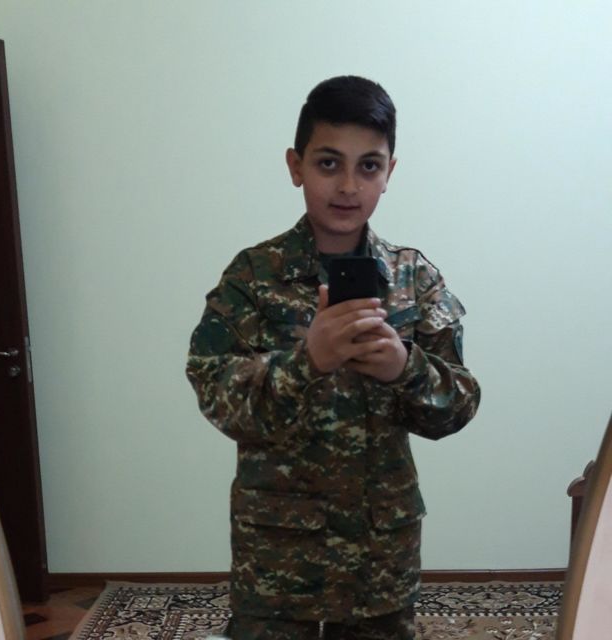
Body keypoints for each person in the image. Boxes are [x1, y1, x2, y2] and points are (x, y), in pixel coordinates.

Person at [186, 75, 481, 640]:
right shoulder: (253, 277)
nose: (348, 186)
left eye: (369, 166)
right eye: (328, 163)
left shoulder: (414, 279)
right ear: (296, 166)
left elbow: (459, 405)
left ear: (389, 172)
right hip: (278, 564)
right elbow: (216, 395)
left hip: (380, 559)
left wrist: (406, 369)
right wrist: (307, 362)